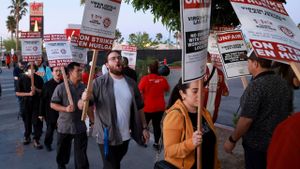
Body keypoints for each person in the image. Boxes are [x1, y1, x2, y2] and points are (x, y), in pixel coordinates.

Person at [79, 50, 150, 169]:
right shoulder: (98, 82)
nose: (117, 60)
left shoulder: (131, 83)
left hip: (125, 135)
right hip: (106, 135)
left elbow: (139, 107)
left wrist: (144, 127)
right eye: (113, 58)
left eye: (119, 57)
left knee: (115, 163)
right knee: (111, 166)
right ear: (107, 65)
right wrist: (83, 98)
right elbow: (83, 105)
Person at [223, 51, 293, 169]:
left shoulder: (256, 86)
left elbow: (246, 120)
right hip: (278, 142)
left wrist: (232, 140)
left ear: (255, 64)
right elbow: (288, 112)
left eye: (248, 61)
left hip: (257, 147)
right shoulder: (283, 83)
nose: (247, 64)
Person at [163, 78, 220, 169]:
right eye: (195, 91)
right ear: (182, 94)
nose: (200, 94)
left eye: (202, 90)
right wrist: (191, 143)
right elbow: (169, 151)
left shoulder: (204, 113)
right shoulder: (175, 116)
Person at [51, 62, 89, 169]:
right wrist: (65, 108)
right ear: (70, 72)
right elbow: (53, 104)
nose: (81, 72)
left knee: (81, 154)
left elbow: (88, 105)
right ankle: (61, 165)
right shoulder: (61, 87)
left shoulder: (84, 88)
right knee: (62, 151)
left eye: (81, 70)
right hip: (65, 125)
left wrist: (84, 102)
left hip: (80, 125)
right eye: (78, 70)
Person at [138, 60, 169, 150]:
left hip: (147, 107)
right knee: (156, 126)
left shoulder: (145, 79)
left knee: (144, 124)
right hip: (159, 107)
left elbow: (139, 91)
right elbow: (167, 89)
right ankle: (156, 143)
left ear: (149, 69)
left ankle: (142, 140)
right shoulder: (162, 79)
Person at [15, 64, 44, 149]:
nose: (32, 70)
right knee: (27, 121)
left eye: (33, 69)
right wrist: (29, 93)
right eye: (30, 68)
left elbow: (43, 91)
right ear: (27, 69)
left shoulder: (39, 78)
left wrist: (36, 89)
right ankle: (27, 136)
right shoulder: (22, 78)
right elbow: (17, 93)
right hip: (25, 103)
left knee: (36, 122)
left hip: (36, 104)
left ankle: (36, 139)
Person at [39, 66, 62, 151]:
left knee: (62, 132)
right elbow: (42, 100)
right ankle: (47, 143)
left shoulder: (65, 84)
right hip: (50, 112)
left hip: (62, 112)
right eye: (56, 71)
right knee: (50, 130)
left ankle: (62, 146)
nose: (58, 73)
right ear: (52, 73)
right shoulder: (47, 85)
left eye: (60, 71)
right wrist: (41, 113)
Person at [204, 53, 229, 123]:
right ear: (210, 57)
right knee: (209, 130)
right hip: (213, 111)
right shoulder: (220, 72)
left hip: (199, 110)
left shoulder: (198, 72)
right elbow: (226, 93)